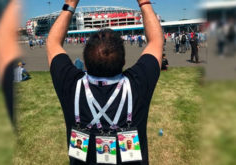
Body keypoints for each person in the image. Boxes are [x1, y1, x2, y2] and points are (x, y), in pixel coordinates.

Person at [46, 0, 162, 164]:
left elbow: (52, 42)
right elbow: (156, 41)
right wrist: (144, 2)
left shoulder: (71, 84)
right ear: (124, 62)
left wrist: (70, 4)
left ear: (85, 64)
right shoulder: (138, 82)